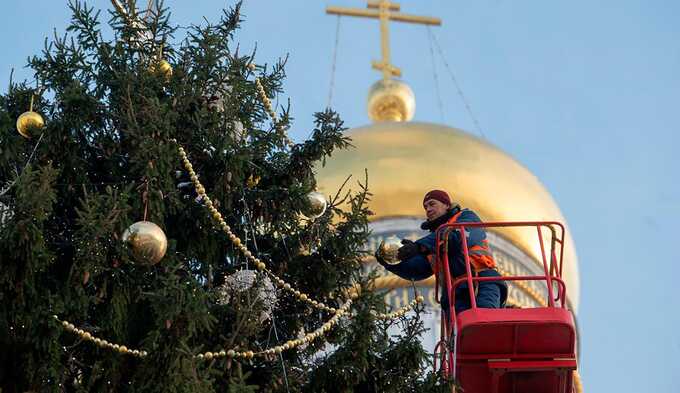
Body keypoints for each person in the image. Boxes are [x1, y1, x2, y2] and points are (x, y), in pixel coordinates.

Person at [375, 190, 507, 314]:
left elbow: (456, 237)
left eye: (432, 204)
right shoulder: (434, 246)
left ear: (447, 205)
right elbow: (417, 270)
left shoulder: (466, 218)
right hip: (456, 296)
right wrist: (390, 262)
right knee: (461, 334)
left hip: (482, 283)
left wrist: (418, 246)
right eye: (426, 207)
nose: (428, 210)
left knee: (483, 324)